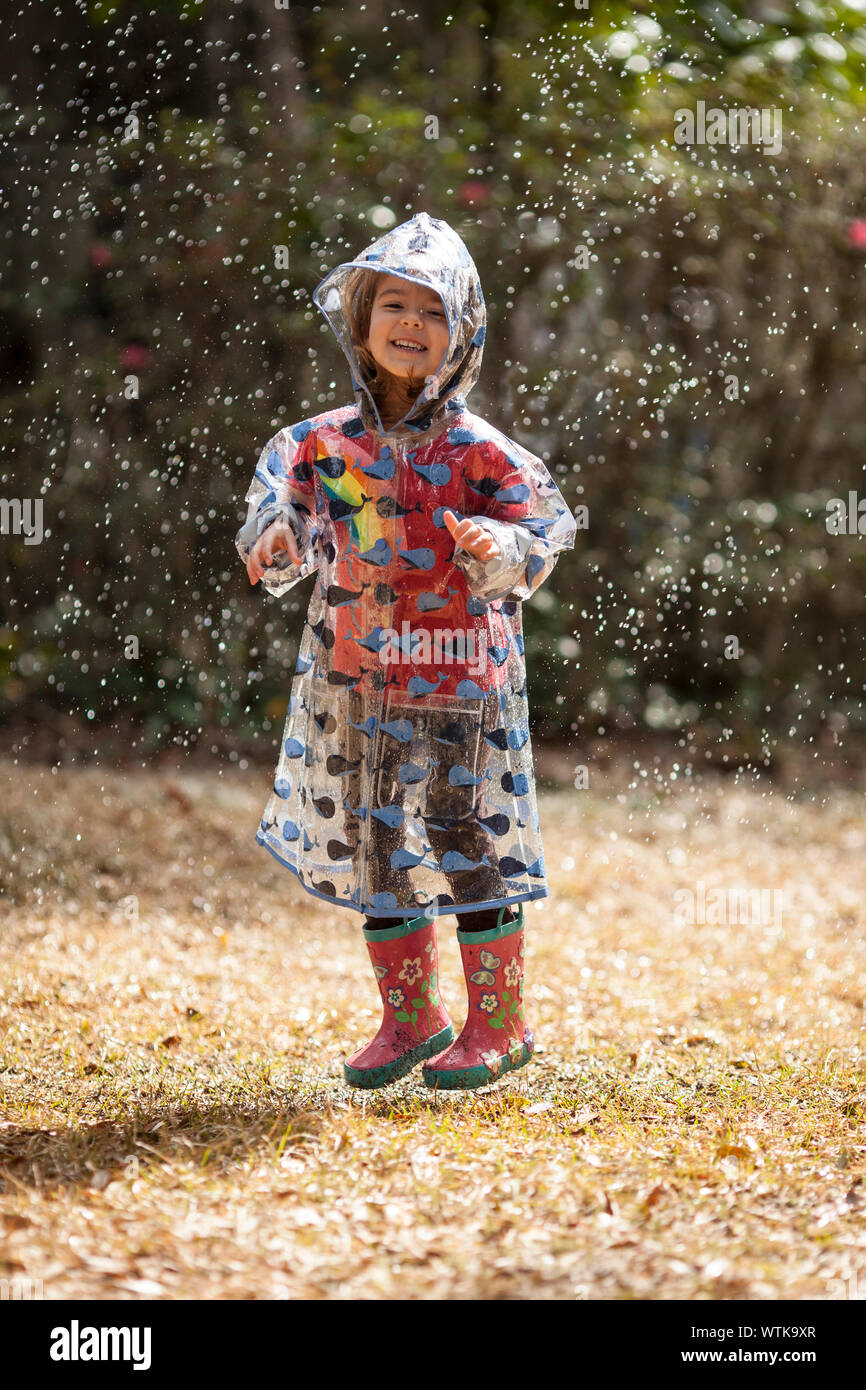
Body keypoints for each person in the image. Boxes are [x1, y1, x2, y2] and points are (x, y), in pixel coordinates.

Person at [235, 212, 576, 1091]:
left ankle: (500, 1023)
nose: (411, 325)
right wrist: (277, 542)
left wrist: (501, 552)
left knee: (467, 833)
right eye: (395, 305)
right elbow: (288, 513)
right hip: (357, 676)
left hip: (461, 677)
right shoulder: (319, 444)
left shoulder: (480, 452)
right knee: (376, 840)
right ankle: (411, 1015)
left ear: (461, 337)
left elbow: (540, 524)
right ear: (361, 321)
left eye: (433, 312)